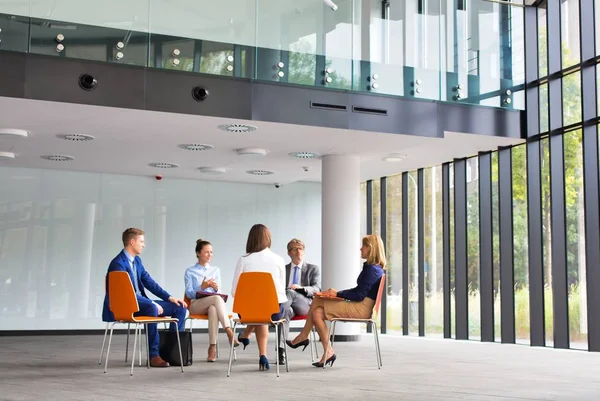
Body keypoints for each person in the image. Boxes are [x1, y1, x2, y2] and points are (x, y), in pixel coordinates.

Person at [287, 234, 386, 368]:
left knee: (317, 298)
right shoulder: (373, 268)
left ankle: (303, 336)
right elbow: (358, 290)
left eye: (363, 246)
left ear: (370, 248)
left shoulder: (372, 270)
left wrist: (337, 294)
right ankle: (328, 351)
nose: (360, 249)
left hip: (362, 308)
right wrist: (336, 294)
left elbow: (359, 295)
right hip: (361, 305)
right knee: (317, 313)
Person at [102, 228, 187, 368]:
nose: (143, 245)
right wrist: (152, 302)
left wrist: (170, 297)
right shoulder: (118, 264)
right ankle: (154, 355)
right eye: (141, 241)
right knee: (152, 308)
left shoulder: (137, 261)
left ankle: (172, 353)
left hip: (142, 303)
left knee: (180, 308)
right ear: (132, 242)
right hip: (126, 306)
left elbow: (149, 282)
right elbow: (126, 295)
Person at [231, 224, 287, 371]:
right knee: (264, 311)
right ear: (268, 239)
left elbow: (234, 292)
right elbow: (281, 292)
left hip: (247, 311)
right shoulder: (279, 260)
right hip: (274, 311)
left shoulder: (243, 260)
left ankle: (252, 340)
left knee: (259, 311)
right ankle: (259, 350)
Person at [184, 239, 239, 362]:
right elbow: (189, 293)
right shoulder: (190, 271)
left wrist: (216, 288)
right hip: (196, 304)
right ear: (198, 253)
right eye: (206, 252)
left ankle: (212, 347)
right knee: (216, 299)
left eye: (211, 252)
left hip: (212, 303)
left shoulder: (215, 270)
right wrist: (201, 287)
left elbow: (218, 292)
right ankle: (229, 331)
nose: (210, 255)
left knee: (213, 308)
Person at [277, 238, 321, 365]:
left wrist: (301, 289)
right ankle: (281, 350)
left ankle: (275, 317)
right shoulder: (283, 269)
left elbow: (317, 289)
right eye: (295, 249)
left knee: (290, 293)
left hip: (306, 305)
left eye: (301, 249)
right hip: (288, 306)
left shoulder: (313, 269)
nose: (298, 252)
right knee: (287, 310)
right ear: (289, 253)